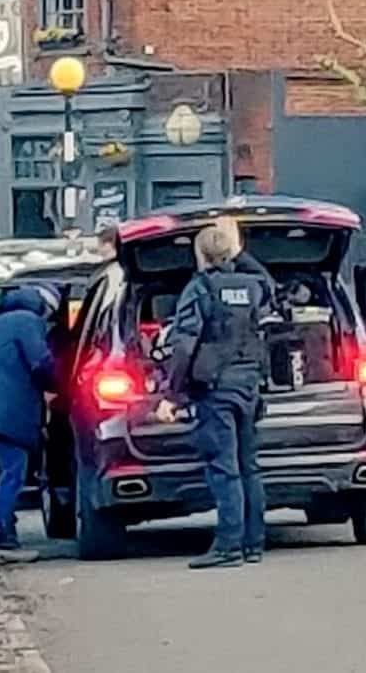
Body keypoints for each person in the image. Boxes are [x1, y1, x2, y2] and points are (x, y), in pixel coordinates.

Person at [152, 226, 268, 569]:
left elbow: (185, 344)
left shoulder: (200, 288)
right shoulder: (252, 287)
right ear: (231, 253)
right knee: (249, 468)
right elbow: (269, 284)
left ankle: (228, 547)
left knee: (224, 469)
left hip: (215, 390)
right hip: (249, 386)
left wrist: (171, 395)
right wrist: (240, 251)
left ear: (199, 255)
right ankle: (253, 544)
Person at [0, 284, 61, 564]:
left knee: (8, 470)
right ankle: (3, 538)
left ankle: (5, 530)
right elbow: (40, 362)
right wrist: (60, 383)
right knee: (13, 473)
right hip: (12, 409)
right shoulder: (28, 322)